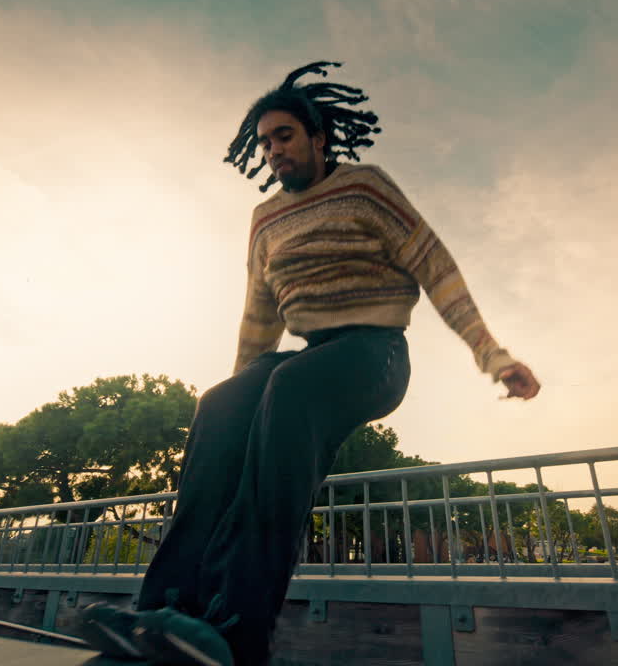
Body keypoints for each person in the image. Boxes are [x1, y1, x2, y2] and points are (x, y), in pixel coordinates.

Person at [82, 61, 540, 665]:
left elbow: (436, 267)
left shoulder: (366, 187)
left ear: (319, 137)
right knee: (220, 406)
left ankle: (238, 631)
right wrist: (238, 395)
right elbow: (258, 317)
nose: (274, 150)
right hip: (307, 358)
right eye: (266, 141)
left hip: (375, 354)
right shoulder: (264, 222)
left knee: (290, 390)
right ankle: (163, 613)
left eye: (285, 136)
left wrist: (492, 353)